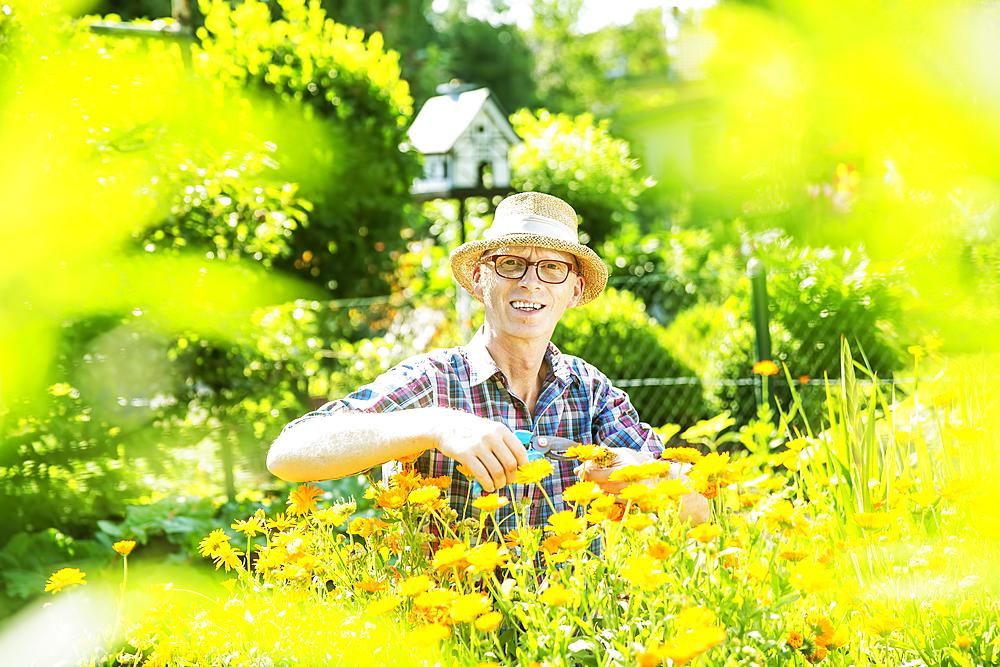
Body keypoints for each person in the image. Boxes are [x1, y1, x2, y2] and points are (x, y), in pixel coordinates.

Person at [267, 191, 709, 530]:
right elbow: (289, 454)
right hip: (454, 635)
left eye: (553, 268)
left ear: (574, 291)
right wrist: (438, 426)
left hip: (572, 637)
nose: (531, 283)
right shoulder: (435, 381)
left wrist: (652, 477)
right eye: (511, 263)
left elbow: (700, 512)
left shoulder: (591, 392)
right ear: (480, 279)